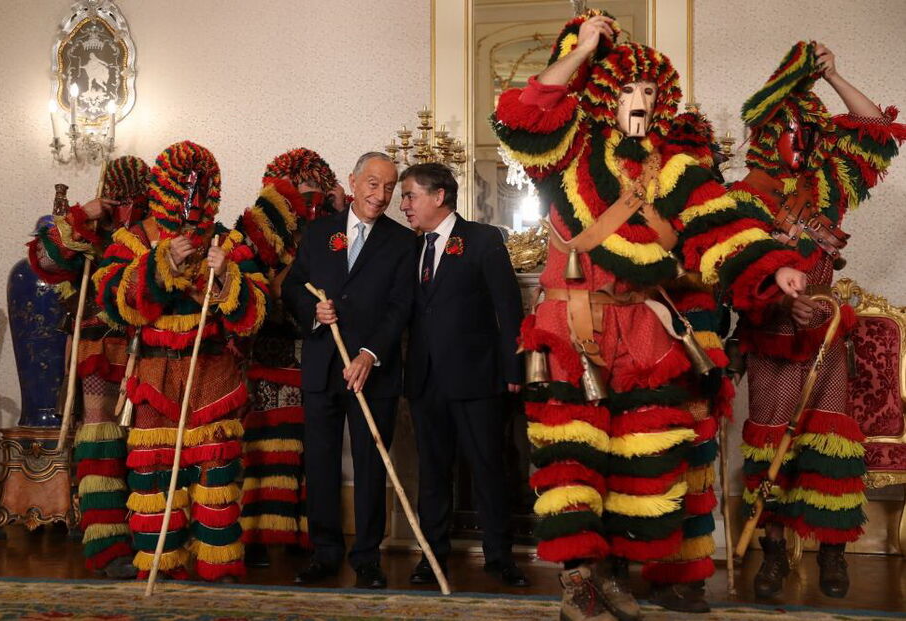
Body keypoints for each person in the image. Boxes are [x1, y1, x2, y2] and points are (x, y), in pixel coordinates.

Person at [492, 11, 808, 619]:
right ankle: (578, 584)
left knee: (641, 459)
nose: (639, 100)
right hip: (573, 327)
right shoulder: (568, 151)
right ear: (607, 97)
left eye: (649, 92)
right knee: (572, 458)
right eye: (629, 90)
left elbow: (724, 224)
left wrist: (776, 268)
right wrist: (582, 49)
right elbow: (524, 115)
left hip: (644, 329)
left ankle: (613, 576)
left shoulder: (676, 169)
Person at [731, 41, 905, 599]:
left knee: (828, 442)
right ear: (766, 136)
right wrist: (782, 301)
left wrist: (831, 75)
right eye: (787, 129)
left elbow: (877, 126)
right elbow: (731, 270)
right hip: (769, 333)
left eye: (807, 130)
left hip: (827, 333)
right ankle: (775, 554)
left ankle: (834, 552)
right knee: (770, 444)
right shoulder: (742, 200)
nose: (799, 141)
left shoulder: (830, 190)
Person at [94, 141, 268, 581]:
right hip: (154, 372)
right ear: (166, 186)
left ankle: (219, 564)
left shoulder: (228, 241)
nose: (192, 197)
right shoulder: (134, 239)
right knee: (152, 471)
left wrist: (228, 275)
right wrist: (160, 263)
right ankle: (160, 563)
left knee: (217, 467)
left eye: (201, 187)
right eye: (184, 187)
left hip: (213, 371)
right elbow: (113, 304)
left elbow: (254, 316)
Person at [282, 152, 416, 589]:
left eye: (390, 187)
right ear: (353, 182)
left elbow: (401, 307)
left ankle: (367, 559)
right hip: (322, 367)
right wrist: (314, 311)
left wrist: (368, 354)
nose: (382, 195)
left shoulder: (402, 241)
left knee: (371, 465)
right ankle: (324, 553)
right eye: (374, 184)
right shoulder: (319, 233)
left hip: (371, 371)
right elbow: (292, 287)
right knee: (320, 464)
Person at [399, 162, 528, 588]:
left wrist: (513, 368)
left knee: (488, 468)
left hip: (476, 378)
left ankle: (499, 556)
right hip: (425, 380)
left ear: (439, 196)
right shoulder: (409, 247)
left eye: (411, 196)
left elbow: (509, 309)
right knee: (433, 474)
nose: (404, 205)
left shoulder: (482, 239)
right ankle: (430, 556)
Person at [27, 155, 149, 579]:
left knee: (144, 443)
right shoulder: (88, 228)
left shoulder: (153, 229)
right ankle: (106, 541)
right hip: (98, 346)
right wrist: (83, 215)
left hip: (146, 347)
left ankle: (145, 537)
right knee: (100, 438)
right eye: (119, 199)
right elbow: (44, 261)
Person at [235, 148, 345, 567]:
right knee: (266, 449)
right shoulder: (258, 233)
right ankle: (259, 536)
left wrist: (334, 216)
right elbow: (259, 290)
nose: (307, 199)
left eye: (315, 191)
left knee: (313, 450)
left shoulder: (333, 232)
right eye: (300, 192)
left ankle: (312, 537)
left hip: (317, 354)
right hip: (271, 351)